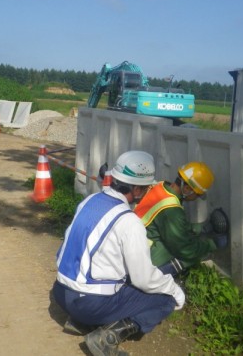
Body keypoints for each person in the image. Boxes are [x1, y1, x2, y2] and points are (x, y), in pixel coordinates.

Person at [52, 150, 186, 356]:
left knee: (118, 279)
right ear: (137, 189)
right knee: (164, 298)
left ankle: (81, 322)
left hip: (61, 292)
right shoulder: (129, 221)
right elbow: (144, 279)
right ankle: (107, 337)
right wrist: (174, 289)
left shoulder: (91, 200)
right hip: (87, 303)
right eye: (147, 187)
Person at [134, 161, 228, 276]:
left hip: (135, 243)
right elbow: (184, 249)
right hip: (140, 258)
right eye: (197, 195)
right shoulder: (171, 210)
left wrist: (198, 229)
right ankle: (155, 277)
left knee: (180, 239)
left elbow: (172, 225)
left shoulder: (160, 186)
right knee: (189, 253)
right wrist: (212, 245)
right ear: (187, 189)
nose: (196, 198)